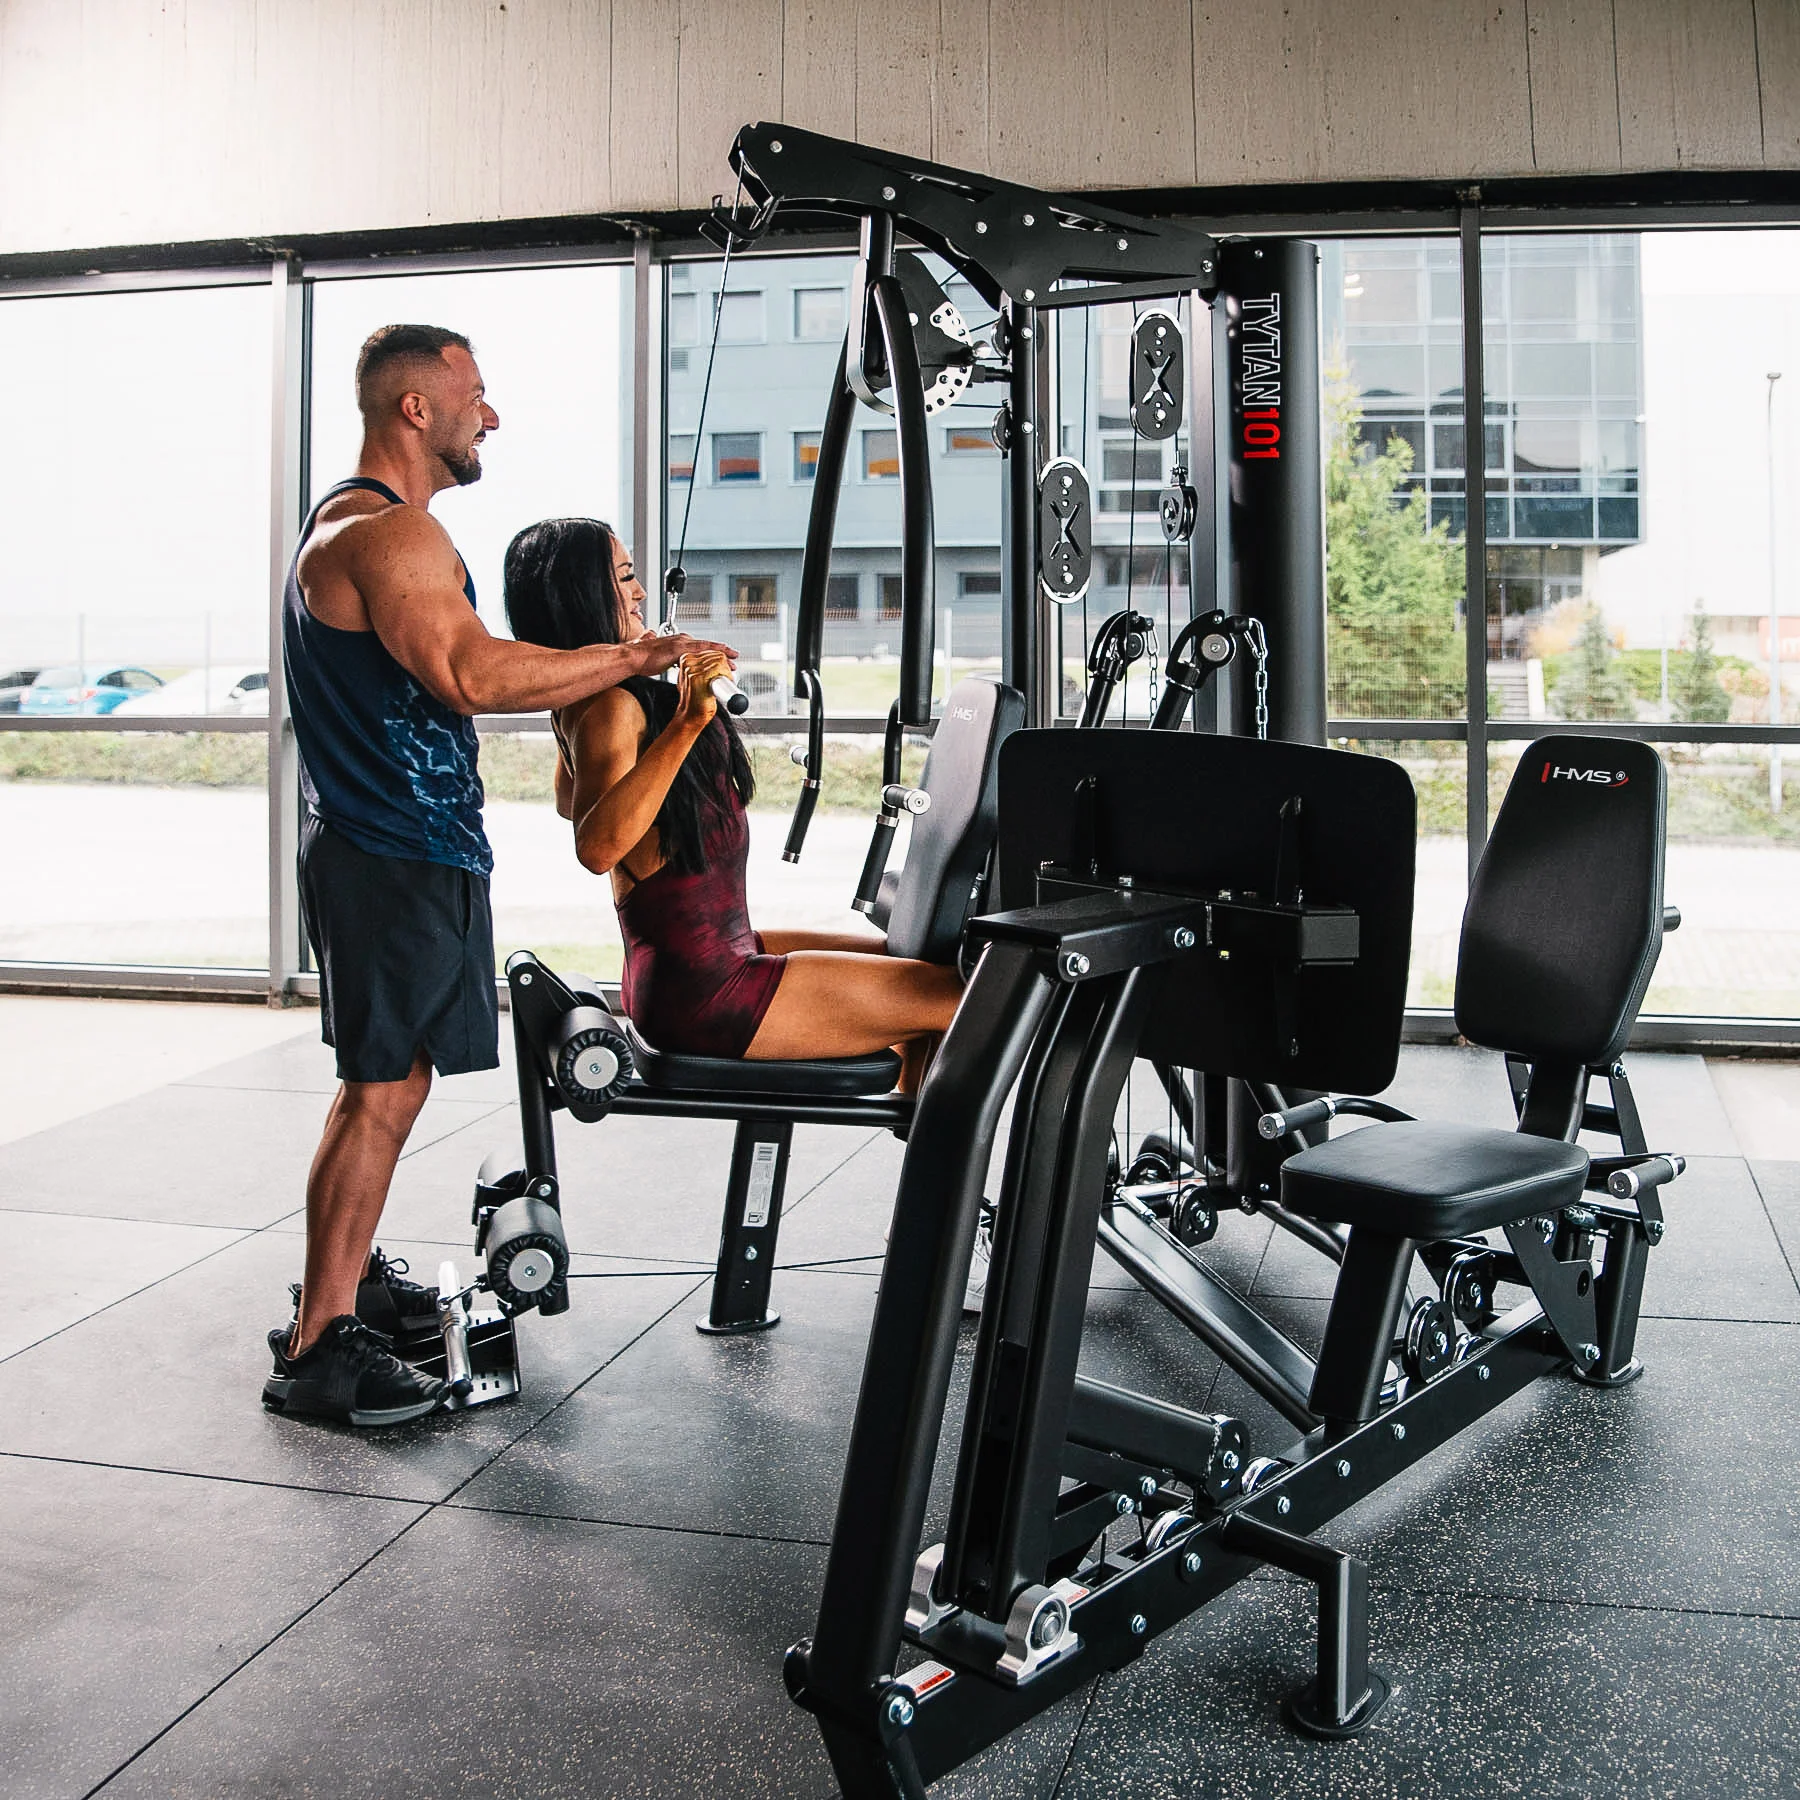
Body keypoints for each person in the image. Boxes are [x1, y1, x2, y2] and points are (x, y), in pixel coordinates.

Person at [264, 325, 735, 1428]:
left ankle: (347, 1288)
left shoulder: (370, 530)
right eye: (475, 394)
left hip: (389, 846)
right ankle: (322, 1345)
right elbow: (472, 673)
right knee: (384, 1090)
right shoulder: (388, 535)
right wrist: (635, 656)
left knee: (384, 1083)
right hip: (391, 852)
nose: (493, 414)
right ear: (415, 409)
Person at [501, 516, 963, 1095]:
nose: (640, 591)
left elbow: (575, 802)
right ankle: (937, 1168)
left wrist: (624, 672)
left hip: (699, 966)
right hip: (706, 992)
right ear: (580, 594)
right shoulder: (612, 708)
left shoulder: (594, 705)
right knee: (963, 998)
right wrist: (690, 719)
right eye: (624, 578)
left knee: (909, 966)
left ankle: (922, 1147)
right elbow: (596, 846)